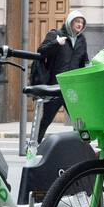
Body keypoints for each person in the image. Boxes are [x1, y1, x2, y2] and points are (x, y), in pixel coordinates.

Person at [35, 10, 89, 139]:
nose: (79, 24)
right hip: (55, 86)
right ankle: (34, 145)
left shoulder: (81, 39)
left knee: (79, 119)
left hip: (73, 87)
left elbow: (84, 60)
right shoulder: (56, 35)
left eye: (81, 22)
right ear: (70, 22)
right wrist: (56, 43)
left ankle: (83, 147)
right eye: (77, 21)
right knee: (47, 119)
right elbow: (41, 51)